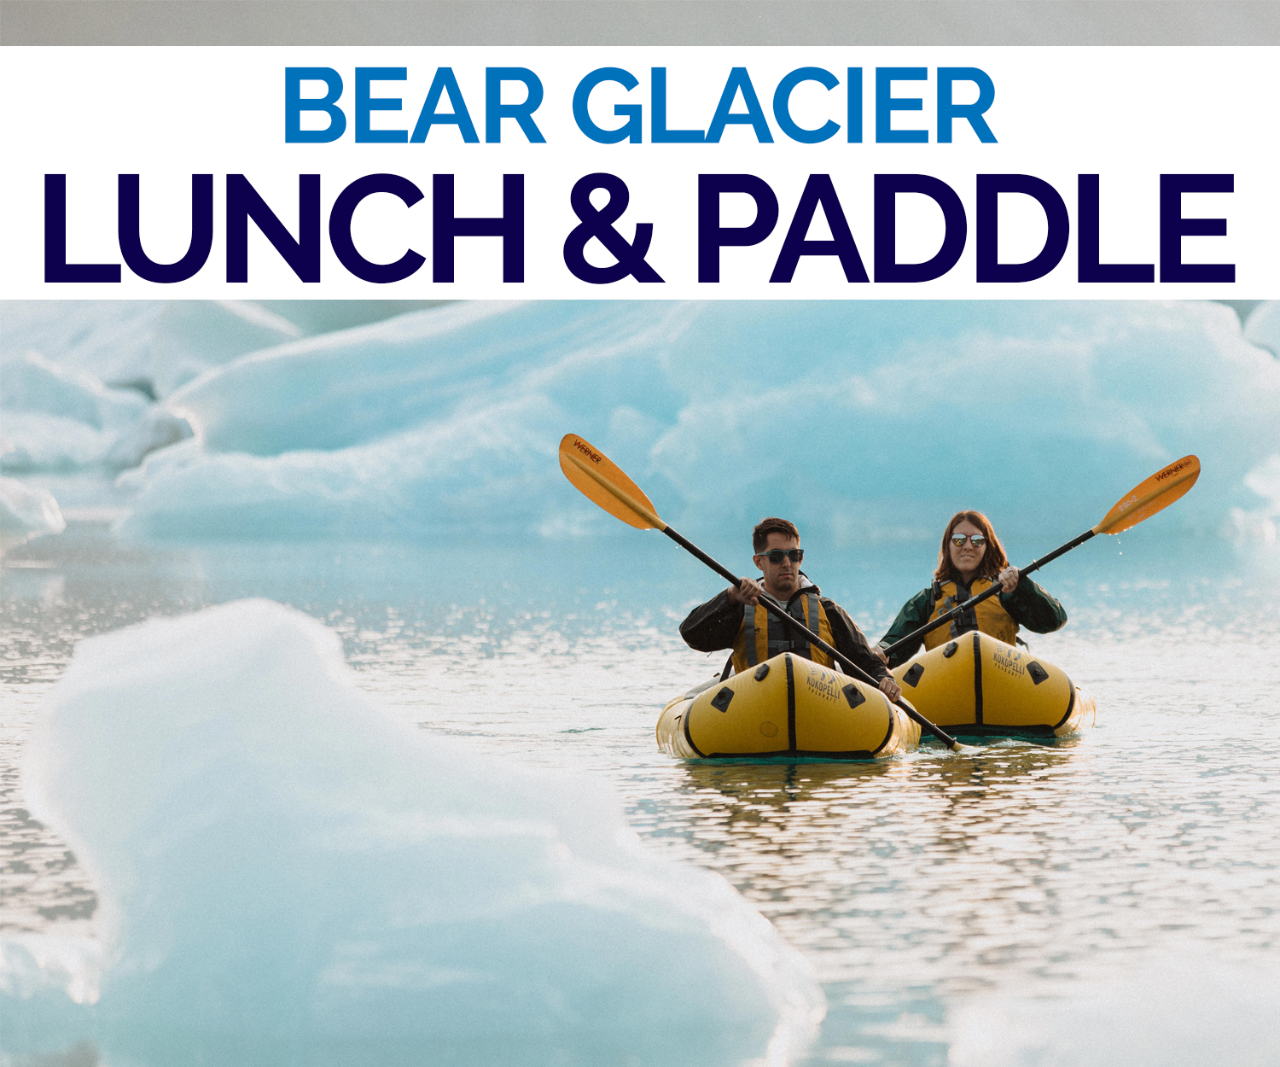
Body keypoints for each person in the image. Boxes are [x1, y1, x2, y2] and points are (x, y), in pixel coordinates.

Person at [679, 517, 901, 701]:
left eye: (794, 555)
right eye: (776, 556)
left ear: (800, 559)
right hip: (752, 706)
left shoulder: (828, 611)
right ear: (758, 562)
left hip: (821, 706)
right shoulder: (741, 607)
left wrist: (885, 679)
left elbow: (864, 661)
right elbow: (692, 634)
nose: (787, 563)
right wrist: (730, 597)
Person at [877, 510, 1067, 668]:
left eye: (977, 540)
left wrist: (1023, 585)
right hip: (944, 684)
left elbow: (1054, 620)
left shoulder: (1007, 592)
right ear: (948, 545)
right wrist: (882, 651)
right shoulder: (927, 601)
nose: (968, 546)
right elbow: (894, 644)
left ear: (987, 546)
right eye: (959, 539)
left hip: (1001, 678)